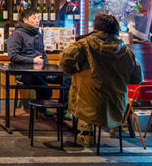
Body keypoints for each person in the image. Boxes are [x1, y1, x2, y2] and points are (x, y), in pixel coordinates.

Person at [60, 13, 142, 147]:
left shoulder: (83, 44)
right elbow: (137, 78)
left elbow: (65, 61)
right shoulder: (127, 52)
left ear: (95, 28)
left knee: (83, 91)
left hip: (88, 106)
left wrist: (74, 71)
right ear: (115, 30)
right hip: (116, 106)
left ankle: (86, 132)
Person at [7, 7, 56, 117]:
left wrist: (47, 68)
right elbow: (13, 56)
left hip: (40, 70)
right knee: (46, 90)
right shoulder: (17, 34)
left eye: (38, 18)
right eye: (34, 18)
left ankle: (63, 111)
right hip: (24, 72)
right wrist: (32, 60)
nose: (37, 20)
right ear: (25, 20)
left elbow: (43, 54)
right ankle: (41, 111)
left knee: (67, 80)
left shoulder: (38, 34)